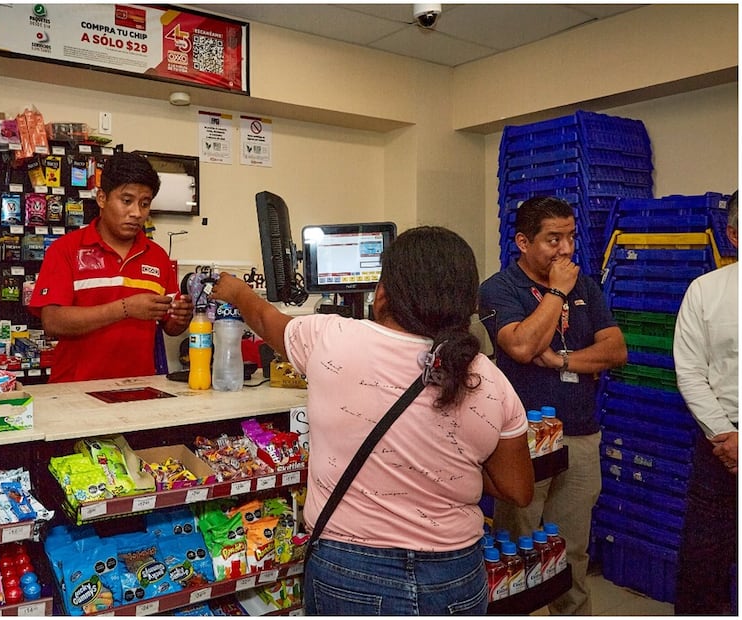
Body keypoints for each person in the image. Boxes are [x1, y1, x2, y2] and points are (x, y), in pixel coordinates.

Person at [212, 226, 534, 615]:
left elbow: (265, 320)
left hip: (350, 570)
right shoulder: (492, 382)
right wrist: (441, 463)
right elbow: (517, 489)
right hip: (455, 575)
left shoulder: (329, 338)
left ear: (383, 294)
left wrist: (236, 292)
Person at [478, 195, 627, 615]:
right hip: (523, 440)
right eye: (553, 239)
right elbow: (522, 345)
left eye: (570, 238)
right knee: (518, 549)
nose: (565, 250)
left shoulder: (586, 285)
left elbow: (615, 349)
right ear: (523, 242)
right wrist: (557, 292)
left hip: (580, 433)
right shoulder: (499, 288)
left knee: (571, 550)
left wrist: (562, 360)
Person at [29, 151, 193, 382]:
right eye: (126, 201)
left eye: (144, 204)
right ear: (102, 198)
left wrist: (182, 316)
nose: (136, 213)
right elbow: (53, 322)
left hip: (138, 389)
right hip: (74, 391)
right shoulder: (65, 249)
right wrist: (124, 309)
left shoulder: (157, 256)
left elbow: (171, 327)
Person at [672, 191, 738, 615]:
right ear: (734, 234)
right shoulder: (706, 291)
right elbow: (691, 373)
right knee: (703, 567)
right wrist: (728, 436)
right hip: (721, 450)